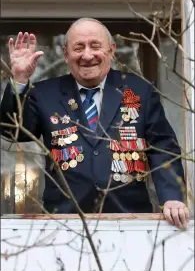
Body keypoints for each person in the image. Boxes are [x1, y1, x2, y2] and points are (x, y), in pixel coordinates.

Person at [1, 18, 189, 228]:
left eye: (95, 46)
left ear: (112, 50)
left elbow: (163, 147)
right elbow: (13, 131)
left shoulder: (139, 90)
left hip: (131, 222)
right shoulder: (45, 93)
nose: (87, 55)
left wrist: (172, 196)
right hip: (63, 223)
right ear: (65, 54)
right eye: (78, 47)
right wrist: (19, 80)